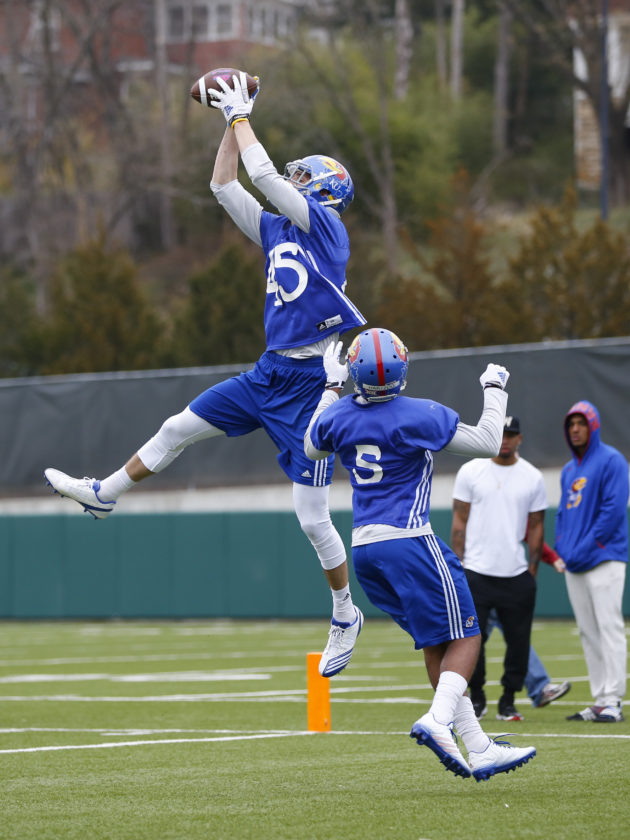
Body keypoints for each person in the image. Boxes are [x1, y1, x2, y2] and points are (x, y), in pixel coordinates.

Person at [44, 71, 366, 678]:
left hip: (311, 386)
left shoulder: (327, 228)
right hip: (269, 373)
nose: (294, 180)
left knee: (311, 517)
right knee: (176, 427)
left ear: (325, 190)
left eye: (305, 178)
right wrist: (228, 122)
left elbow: (264, 176)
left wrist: (241, 115)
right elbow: (224, 185)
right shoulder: (277, 229)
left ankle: (346, 613)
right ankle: (104, 494)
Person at [304, 328, 536, 781]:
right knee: (467, 636)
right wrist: (494, 387)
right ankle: (438, 718)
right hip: (409, 540)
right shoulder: (418, 413)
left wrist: (331, 388)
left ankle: (478, 746)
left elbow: (311, 445)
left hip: (365, 550)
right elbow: (488, 442)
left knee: (437, 642)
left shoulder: (341, 415)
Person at [451, 415, 548, 723]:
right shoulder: (471, 471)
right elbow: (459, 520)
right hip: (476, 572)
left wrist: (532, 570)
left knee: (518, 642)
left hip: (516, 574)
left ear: (519, 439)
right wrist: (459, 565)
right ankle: (477, 697)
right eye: (501, 434)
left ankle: (508, 700)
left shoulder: (532, 477)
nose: (505, 440)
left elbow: (537, 525)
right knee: (471, 641)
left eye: (511, 435)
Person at [556, 401, 629, 723]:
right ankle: (600, 700)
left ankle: (614, 700)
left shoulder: (612, 460)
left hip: (604, 558)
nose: (575, 429)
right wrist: (563, 548)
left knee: (609, 627)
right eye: (571, 424)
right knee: (588, 632)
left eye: (581, 423)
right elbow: (562, 514)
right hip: (575, 564)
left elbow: (612, 511)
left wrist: (585, 547)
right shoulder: (568, 470)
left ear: (593, 426)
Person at [484, 541, 571, 715]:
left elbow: (530, 531)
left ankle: (538, 688)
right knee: (466, 642)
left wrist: (551, 557)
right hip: (479, 578)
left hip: (507, 578)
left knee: (518, 637)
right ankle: (451, 692)